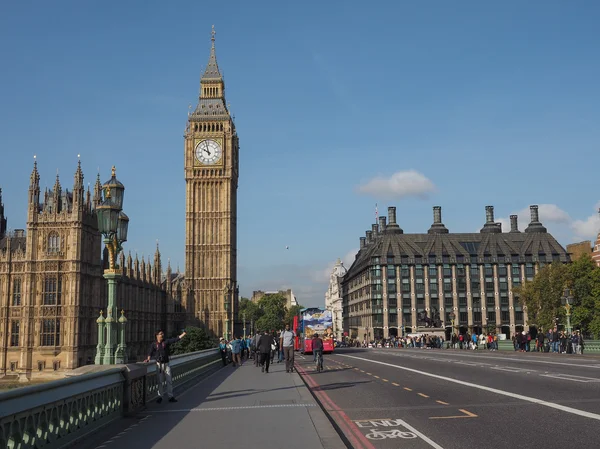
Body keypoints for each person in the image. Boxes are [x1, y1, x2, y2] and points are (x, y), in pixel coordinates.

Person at [145, 329, 187, 403]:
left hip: (167, 364)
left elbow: (175, 339)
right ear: (157, 335)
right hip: (159, 365)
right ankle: (160, 396)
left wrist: (183, 334)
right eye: (161, 334)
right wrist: (148, 359)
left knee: (169, 381)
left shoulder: (166, 342)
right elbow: (150, 352)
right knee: (160, 381)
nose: (162, 335)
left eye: (162, 333)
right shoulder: (154, 344)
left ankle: (170, 396)